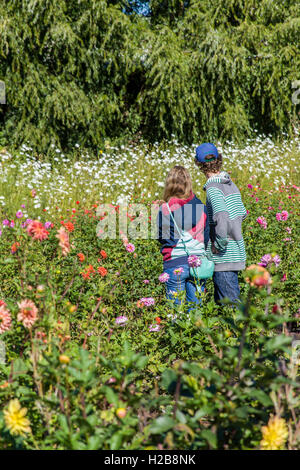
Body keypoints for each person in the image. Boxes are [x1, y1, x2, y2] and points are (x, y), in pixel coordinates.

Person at [194, 143, 247, 304]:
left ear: (198, 163)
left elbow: (221, 218)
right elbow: (242, 213)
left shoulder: (213, 188)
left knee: (232, 306)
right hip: (236, 250)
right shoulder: (230, 183)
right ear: (219, 159)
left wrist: (219, 244)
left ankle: (245, 329)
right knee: (224, 304)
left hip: (224, 256)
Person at [157, 166, 209, 311]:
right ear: (188, 183)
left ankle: (177, 332)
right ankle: (198, 333)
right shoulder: (201, 206)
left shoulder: (166, 209)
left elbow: (162, 238)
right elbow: (207, 235)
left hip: (175, 262)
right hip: (198, 263)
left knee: (175, 313)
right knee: (196, 311)